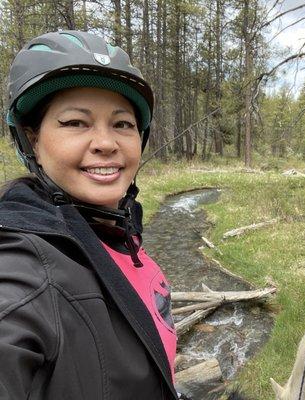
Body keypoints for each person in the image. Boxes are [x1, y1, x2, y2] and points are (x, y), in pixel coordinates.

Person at [0, 31, 186, 399]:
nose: (106, 142)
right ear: (32, 140)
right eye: (75, 122)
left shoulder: (118, 232)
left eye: (122, 124)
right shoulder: (22, 270)